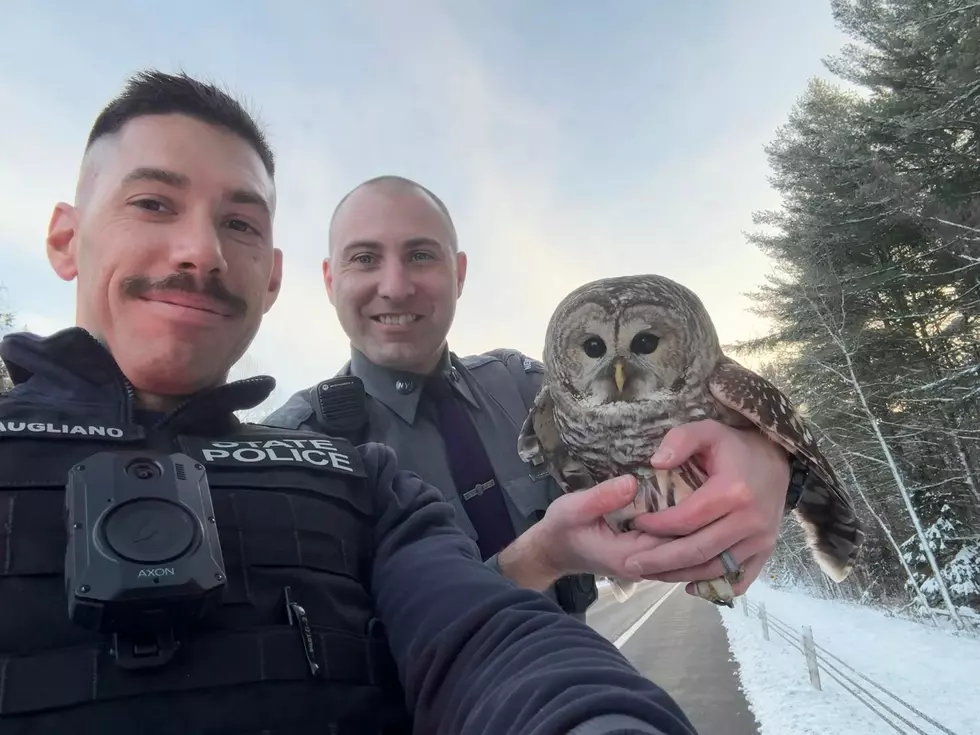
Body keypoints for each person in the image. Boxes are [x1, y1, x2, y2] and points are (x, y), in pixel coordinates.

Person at [0, 70, 698, 735]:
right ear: (65, 239)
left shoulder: (352, 478)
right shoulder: (318, 435)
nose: (201, 251)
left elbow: (478, 628)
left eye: (240, 223)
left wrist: (746, 449)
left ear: (272, 279)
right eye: (153, 203)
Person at [264, 174, 801, 620]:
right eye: (364, 258)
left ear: (459, 274)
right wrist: (538, 560)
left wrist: (766, 461)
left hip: (584, 688)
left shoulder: (525, 388)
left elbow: (677, 418)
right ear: (330, 280)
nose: (396, 286)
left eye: (421, 255)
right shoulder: (289, 452)